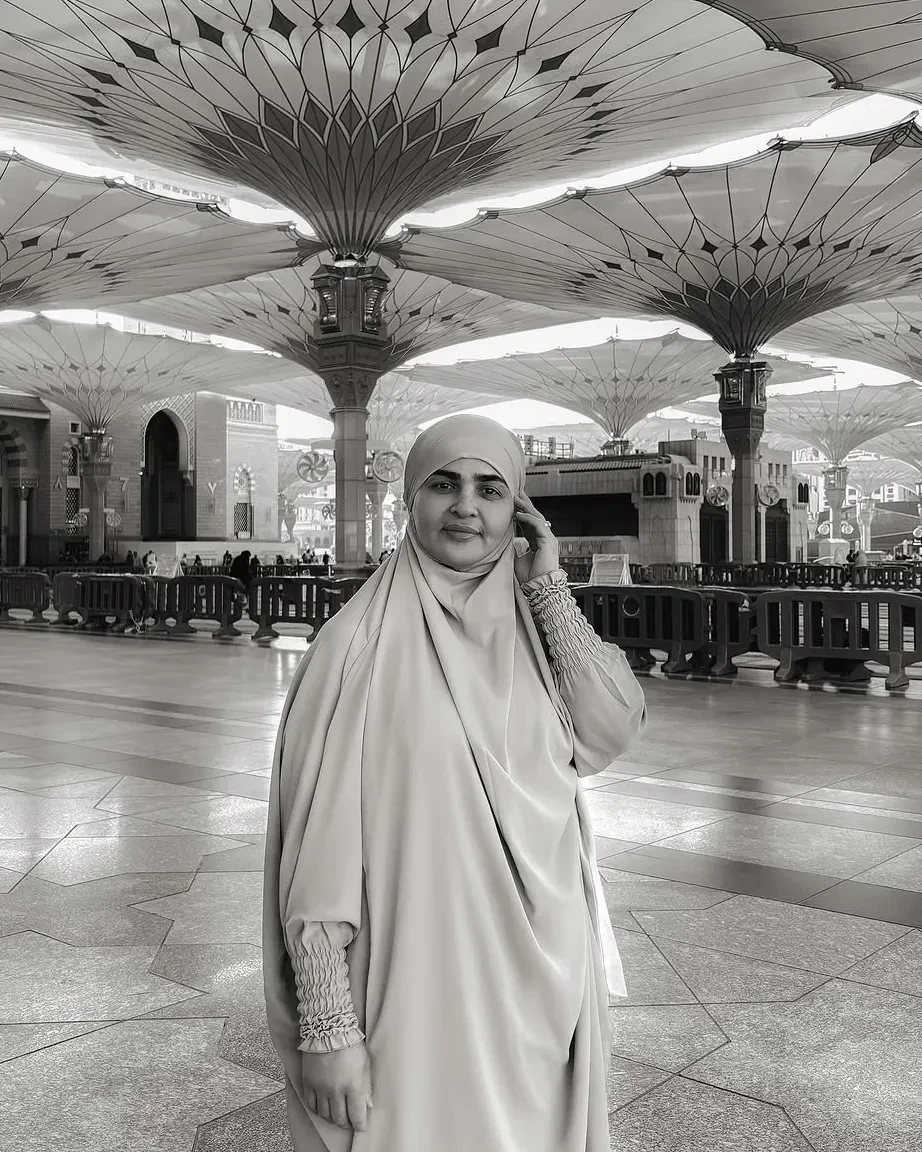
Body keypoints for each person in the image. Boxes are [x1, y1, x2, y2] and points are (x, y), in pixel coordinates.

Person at [264, 415, 647, 1152]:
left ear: (519, 512)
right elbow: (315, 854)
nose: (466, 507)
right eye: (444, 485)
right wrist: (328, 1026)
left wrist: (550, 589)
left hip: (546, 995)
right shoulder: (353, 650)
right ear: (411, 500)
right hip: (416, 988)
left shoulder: (538, 634)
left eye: (491, 490)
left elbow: (610, 729)